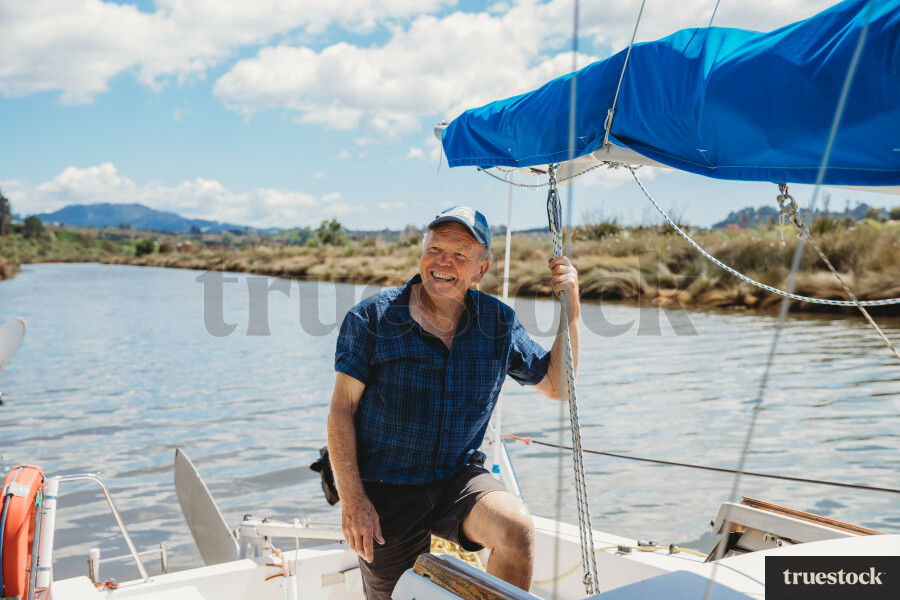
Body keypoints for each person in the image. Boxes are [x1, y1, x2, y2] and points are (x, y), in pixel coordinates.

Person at [328, 206, 579, 600]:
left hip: (455, 477)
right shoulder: (372, 319)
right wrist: (353, 499)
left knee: (517, 530)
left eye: (460, 254)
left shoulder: (497, 324)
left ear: (481, 268)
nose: (443, 261)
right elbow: (342, 410)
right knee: (399, 595)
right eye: (435, 249)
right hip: (385, 486)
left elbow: (556, 385)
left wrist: (571, 310)